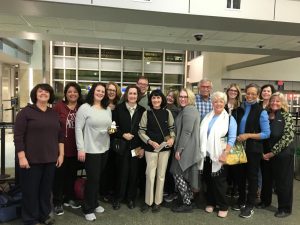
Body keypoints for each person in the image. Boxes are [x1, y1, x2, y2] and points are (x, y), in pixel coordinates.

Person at [14, 83, 64, 225]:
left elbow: (60, 136)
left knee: (45, 191)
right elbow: (18, 136)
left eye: (47, 92)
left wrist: (61, 155)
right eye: (40, 91)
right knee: (30, 192)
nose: (43, 93)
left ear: (50, 95)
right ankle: (30, 219)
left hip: (50, 159)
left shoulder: (53, 113)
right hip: (31, 160)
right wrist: (21, 157)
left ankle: (44, 215)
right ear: (35, 94)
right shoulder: (26, 112)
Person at [75, 82, 112, 221]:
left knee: (98, 179)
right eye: (98, 91)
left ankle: (94, 203)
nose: (101, 93)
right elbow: (78, 129)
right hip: (90, 149)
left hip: (105, 148)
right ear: (93, 92)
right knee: (92, 180)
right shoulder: (85, 108)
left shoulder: (107, 108)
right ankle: (87, 208)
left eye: (103, 91)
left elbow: (110, 127)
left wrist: (111, 130)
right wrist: (81, 149)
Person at [199, 91, 237, 218]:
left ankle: (223, 206)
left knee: (219, 182)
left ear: (224, 103)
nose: (218, 103)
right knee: (208, 180)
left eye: (221, 101)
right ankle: (211, 202)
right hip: (206, 155)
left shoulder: (229, 119)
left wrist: (225, 153)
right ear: (212, 103)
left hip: (220, 155)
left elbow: (232, 138)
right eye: (215, 101)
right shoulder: (207, 116)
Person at [236, 83, 270, 218]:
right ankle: (241, 201)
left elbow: (266, 133)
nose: (250, 96)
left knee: (252, 177)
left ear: (258, 95)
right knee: (240, 175)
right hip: (239, 148)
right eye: (248, 93)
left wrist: (248, 135)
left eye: (253, 94)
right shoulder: (241, 108)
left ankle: (250, 205)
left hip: (253, 149)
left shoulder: (261, 111)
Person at [258, 92, 295, 218]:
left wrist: (272, 153)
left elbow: (288, 137)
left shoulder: (286, 116)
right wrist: (263, 152)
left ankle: (285, 208)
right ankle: (265, 201)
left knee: (283, 182)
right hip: (265, 155)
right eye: (272, 100)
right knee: (266, 180)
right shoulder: (265, 115)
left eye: (278, 101)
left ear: (282, 103)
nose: (274, 103)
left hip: (282, 155)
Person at [139, 90, 175, 213]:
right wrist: (149, 141)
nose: (156, 100)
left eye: (158, 98)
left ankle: (158, 202)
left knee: (161, 175)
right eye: (154, 98)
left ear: (162, 99)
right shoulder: (146, 113)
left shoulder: (167, 113)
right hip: (151, 149)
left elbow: (171, 129)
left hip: (165, 149)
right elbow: (141, 131)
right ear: (151, 100)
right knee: (150, 175)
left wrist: (172, 139)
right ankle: (148, 202)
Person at [112, 85, 145, 210]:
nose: (132, 96)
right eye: (130, 93)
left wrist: (142, 147)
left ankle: (131, 199)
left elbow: (145, 130)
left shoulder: (142, 111)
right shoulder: (118, 109)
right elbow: (111, 128)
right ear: (126, 95)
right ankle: (118, 198)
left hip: (136, 147)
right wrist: (122, 134)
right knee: (121, 173)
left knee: (133, 174)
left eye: (135, 94)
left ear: (138, 96)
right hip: (122, 147)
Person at [52, 82, 82, 216]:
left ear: (79, 94)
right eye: (70, 91)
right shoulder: (58, 107)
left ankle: (69, 198)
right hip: (61, 148)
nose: (72, 94)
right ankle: (57, 201)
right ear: (65, 93)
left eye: (75, 92)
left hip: (76, 148)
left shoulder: (82, 108)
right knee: (59, 176)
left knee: (72, 175)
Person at [170, 88, 202, 213]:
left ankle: (187, 203)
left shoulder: (189, 110)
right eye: (181, 97)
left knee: (177, 174)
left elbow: (186, 131)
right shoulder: (187, 110)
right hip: (187, 147)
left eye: (185, 97)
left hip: (186, 148)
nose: (182, 99)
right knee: (182, 175)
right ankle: (188, 199)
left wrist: (179, 149)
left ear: (190, 99)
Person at [100, 82, 122, 202]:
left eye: (113, 90)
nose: (111, 92)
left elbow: (116, 124)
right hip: (102, 140)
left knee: (114, 167)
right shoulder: (101, 105)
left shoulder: (119, 105)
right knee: (105, 168)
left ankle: (112, 190)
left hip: (116, 140)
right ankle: (104, 191)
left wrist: (112, 130)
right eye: (109, 89)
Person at [225, 84, 244, 199]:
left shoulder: (241, 108)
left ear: (238, 93)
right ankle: (227, 187)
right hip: (223, 139)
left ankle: (235, 188)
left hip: (236, 140)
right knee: (225, 165)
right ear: (227, 91)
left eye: (235, 91)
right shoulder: (222, 104)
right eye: (231, 90)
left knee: (236, 166)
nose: (233, 92)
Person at [257, 84, 276, 199]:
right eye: (264, 91)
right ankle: (258, 188)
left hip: (269, 141)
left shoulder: (274, 106)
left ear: (272, 93)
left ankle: (265, 189)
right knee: (257, 166)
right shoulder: (258, 105)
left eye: (268, 91)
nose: (266, 93)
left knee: (267, 167)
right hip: (258, 138)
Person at [164, 89, 180, 202]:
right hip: (163, 143)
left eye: (172, 97)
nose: (169, 98)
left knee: (169, 168)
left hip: (170, 143)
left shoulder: (175, 111)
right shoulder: (164, 107)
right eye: (168, 96)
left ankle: (170, 191)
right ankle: (166, 189)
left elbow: (172, 129)